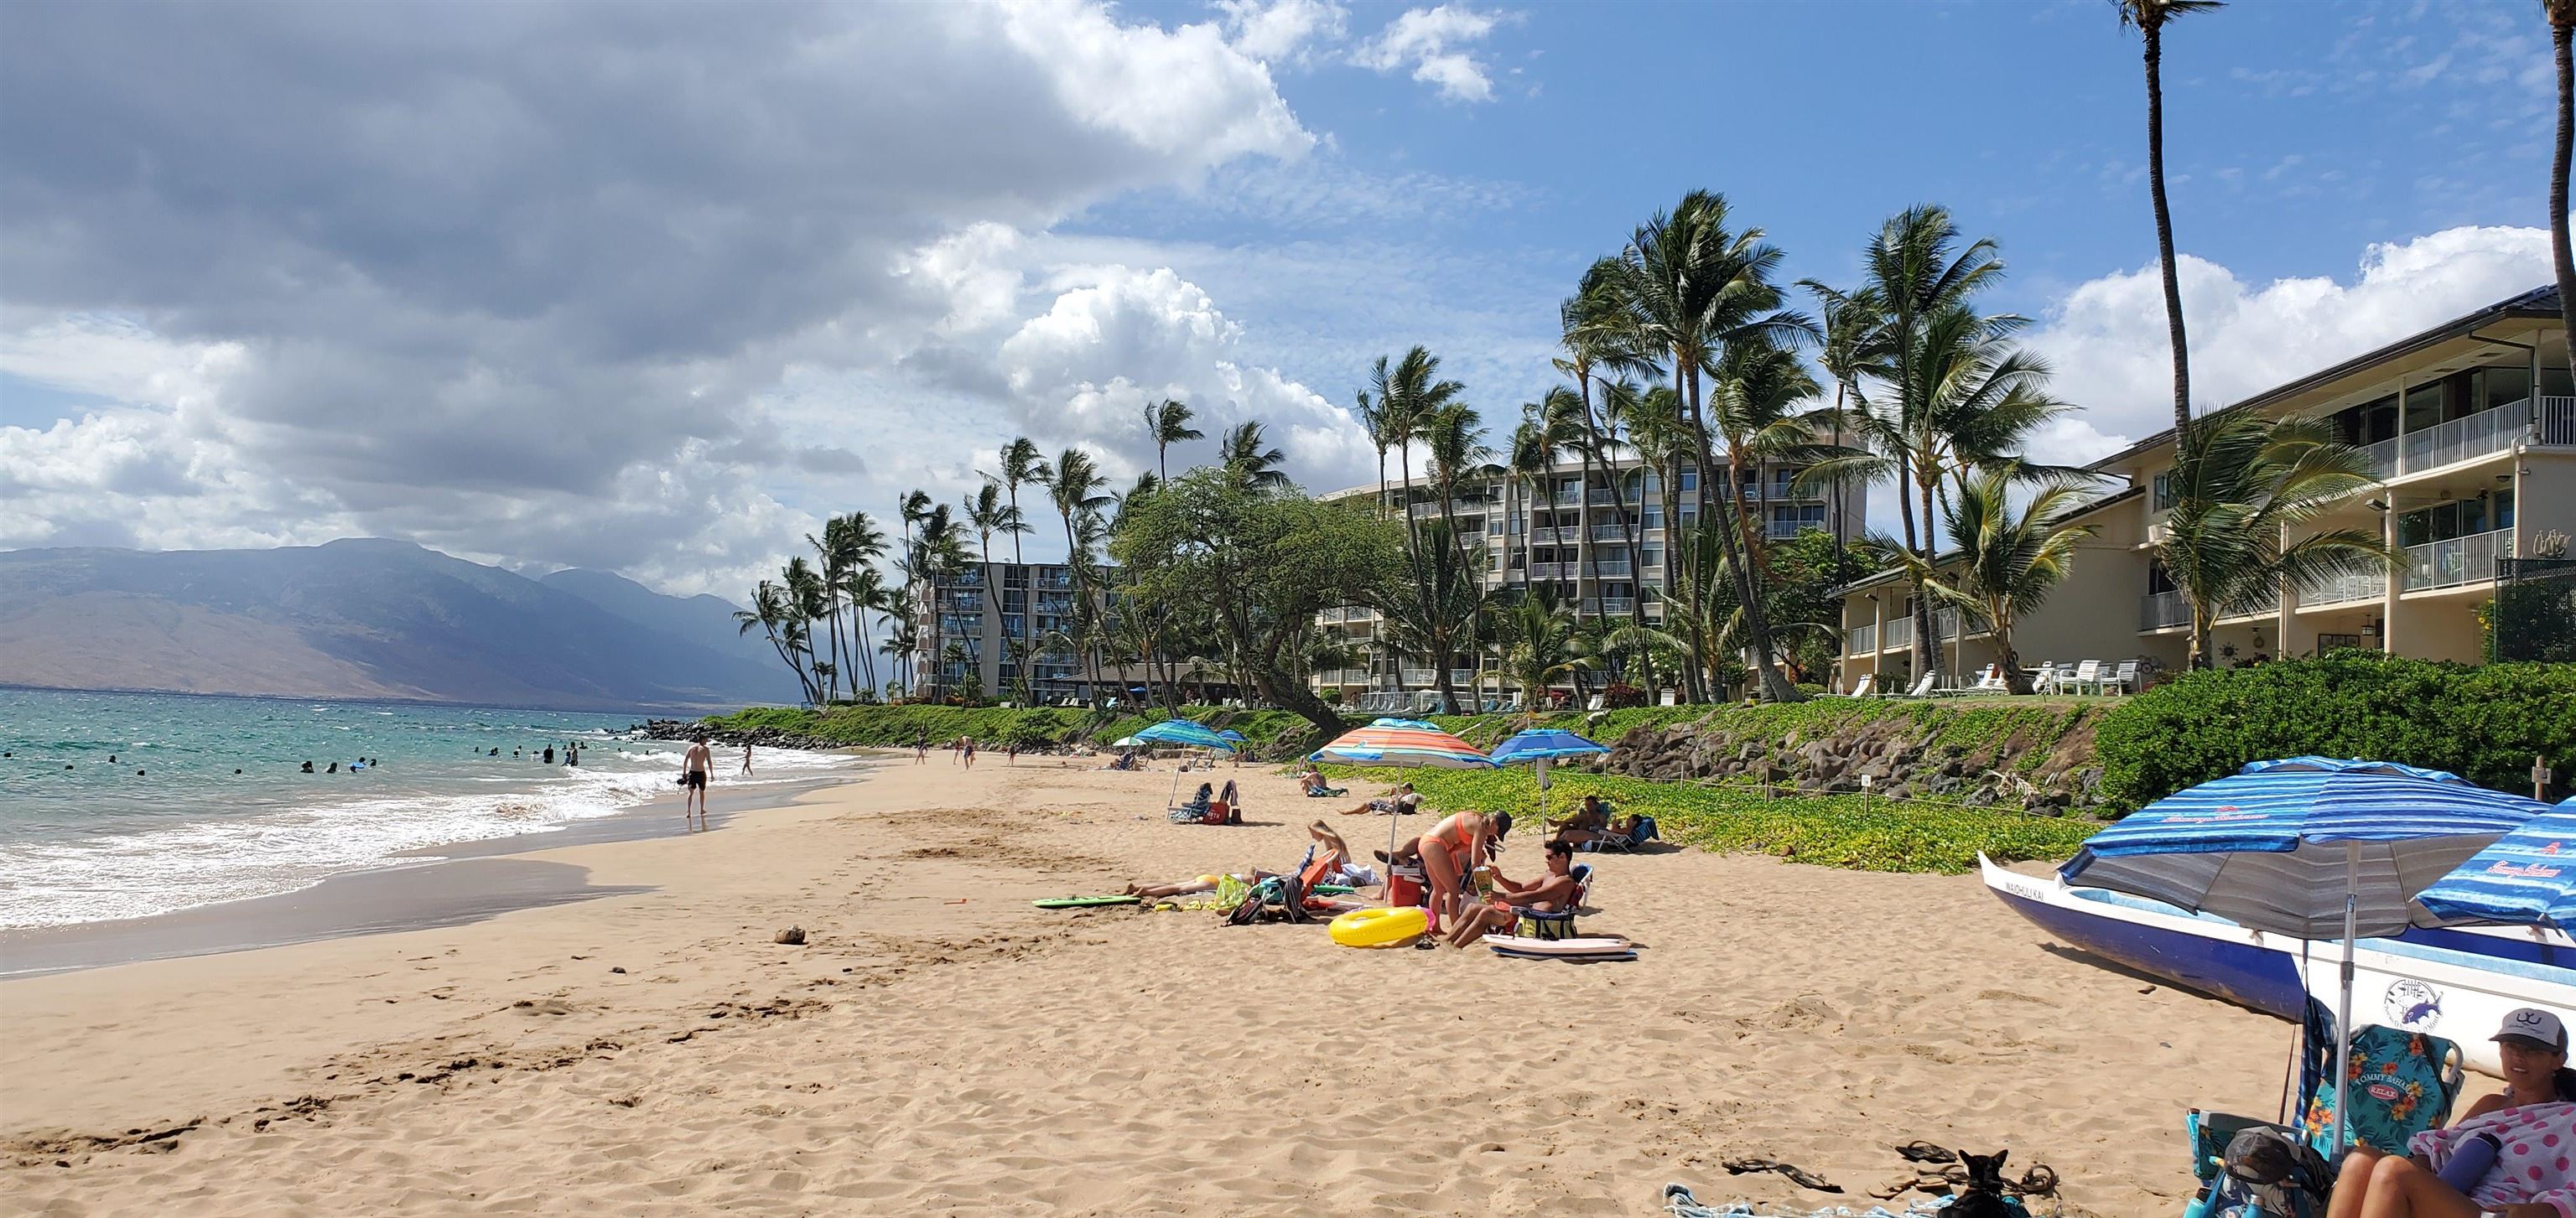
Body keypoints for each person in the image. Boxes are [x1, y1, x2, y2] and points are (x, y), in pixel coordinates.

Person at [2326, 1009, 2576, 1218]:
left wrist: (2538, 1212)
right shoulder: (2491, 1104)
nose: (2519, 1056)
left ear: (2558, 1060)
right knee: (2361, 1160)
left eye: (2533, 1050)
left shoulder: (2569, 1118)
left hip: (2496, 1213)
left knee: (2394, 1170)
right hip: (2454, 1198)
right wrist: (2420, 1169)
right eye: (2511, 1046)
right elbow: (2439, 1148)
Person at [1446, 840, 1581, 947]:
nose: (1546, 860)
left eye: (1549, 857)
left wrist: (1500, 896)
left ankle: (1456, 947)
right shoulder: (1549, 875)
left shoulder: (1565, 882)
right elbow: (1521, 888)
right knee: (1472, 908)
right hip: (1528, 914)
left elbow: (1534, 896)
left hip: (1538, 921)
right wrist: (1500, 878)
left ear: (1562, 857)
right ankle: (1446, 941)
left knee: (1486, 914)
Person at [1387, 810, 1509, 925]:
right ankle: (1456, 926)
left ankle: (1435, 927)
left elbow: (1456, 846)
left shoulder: (1475, 817)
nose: (1495, 835)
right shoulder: (1481, 827)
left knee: (1438, 889)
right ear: (1494, 823)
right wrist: (1482, 886)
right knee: (1453, 890)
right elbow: (1475, 862)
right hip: (1435, 845)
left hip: (1427, 841)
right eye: (1498, 832)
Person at [680, 733, 713, 830]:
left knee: (691, 792)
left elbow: (685, 761)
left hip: (692, 772)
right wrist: (712, 773)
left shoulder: (691, 748)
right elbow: (709, 762)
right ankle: (701, 809)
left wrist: (684, 773)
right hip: (701, 773)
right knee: (701, 792)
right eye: (706, 739)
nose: (707, 741)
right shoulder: (706, 749)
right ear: (702, 739)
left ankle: (689, 812)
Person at [1339, 782, 1422, 816]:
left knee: (1367, 804)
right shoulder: (1407, 796)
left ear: (1409, 789)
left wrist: (1390, 794)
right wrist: (1398, 793)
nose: (1403, 789)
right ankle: (1356, 813)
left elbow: (1392, 802)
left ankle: (1348, 813)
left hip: (1392, 808)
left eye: (1405, 788)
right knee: (1370, 805)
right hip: (1394, 807)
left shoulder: (1407, 796)